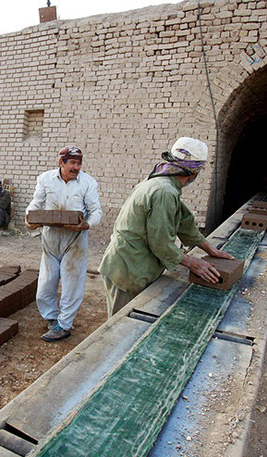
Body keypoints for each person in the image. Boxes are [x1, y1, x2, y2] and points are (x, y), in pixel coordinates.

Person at [98, 137, 234, 317]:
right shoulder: (164, 191)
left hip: (133, 265)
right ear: (194, 171)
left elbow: (185, 223)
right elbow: (160, 243)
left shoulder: (163, 183)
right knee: (120, 328)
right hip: (128, 269)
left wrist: (210, 249)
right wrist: (192, 262)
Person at [25, 146, 102, 342]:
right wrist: (29, 218)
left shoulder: (88, 183)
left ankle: (64, 325)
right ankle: (51, 318)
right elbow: (36, 203)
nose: (76, 167)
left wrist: (87, 224)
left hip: (74, 238)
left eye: (79, 163)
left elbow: (96, 212)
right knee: (46, 283)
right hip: (50, 237)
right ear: (61, 163)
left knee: (72, 283)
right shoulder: (45, 179)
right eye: (72, 163)